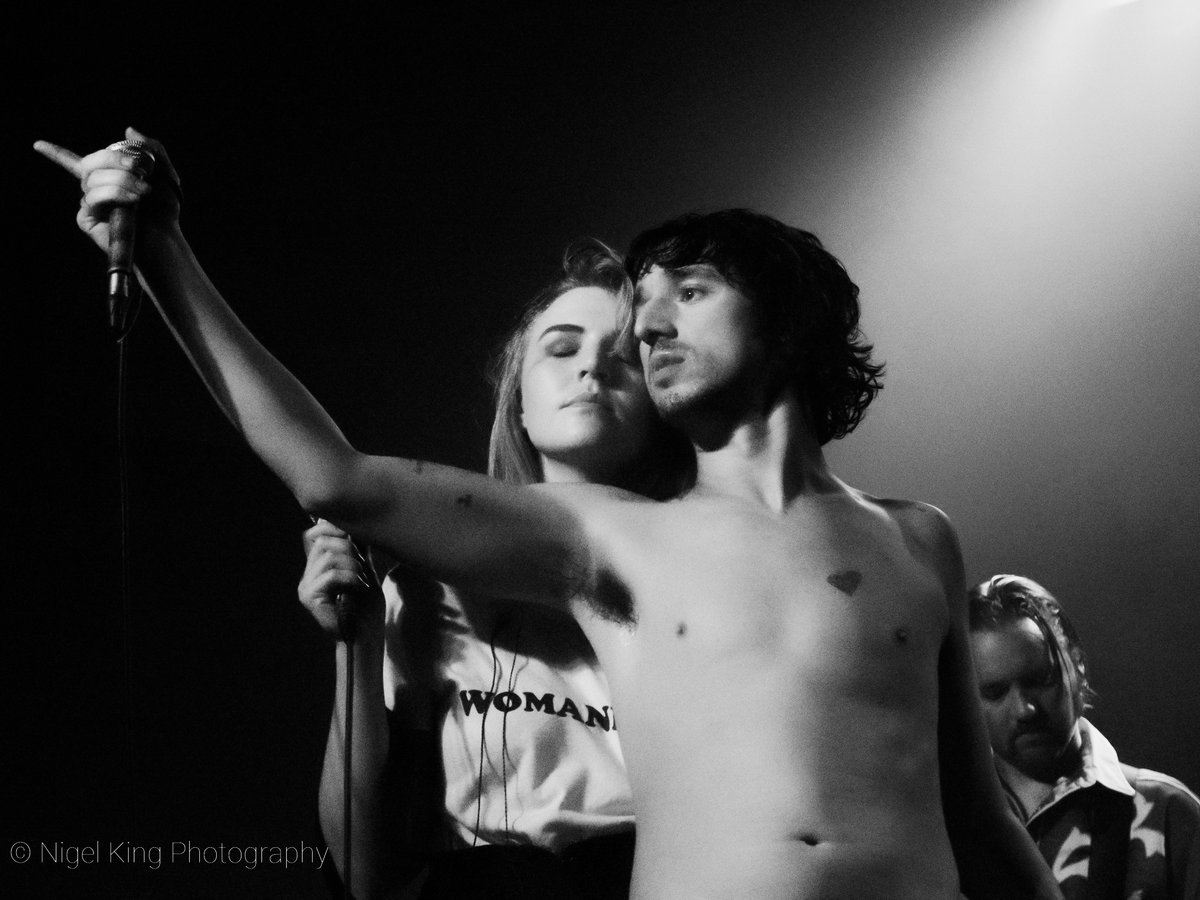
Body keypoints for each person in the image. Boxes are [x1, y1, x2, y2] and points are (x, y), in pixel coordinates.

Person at [37, 129, 1062, 899]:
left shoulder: (917, 538)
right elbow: (334, 476)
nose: (649, 323)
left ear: (788, 317)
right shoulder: (609, 537)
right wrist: (167, 250)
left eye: (688, 292)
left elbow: (976, 813)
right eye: (636, 302)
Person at [297, 240, 690, 899]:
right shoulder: (426, 591)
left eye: (625, 355)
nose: (593, 366)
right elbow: (365, 876)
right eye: (561, 348)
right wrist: (357, 645)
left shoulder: (704, 583)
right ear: (519, 404)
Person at [968, 574, 1200, 900]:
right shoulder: (948, 826)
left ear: (1077, 668)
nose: (1025, 709)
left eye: (1039, 679)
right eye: (995, 692)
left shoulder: (1169, 813)